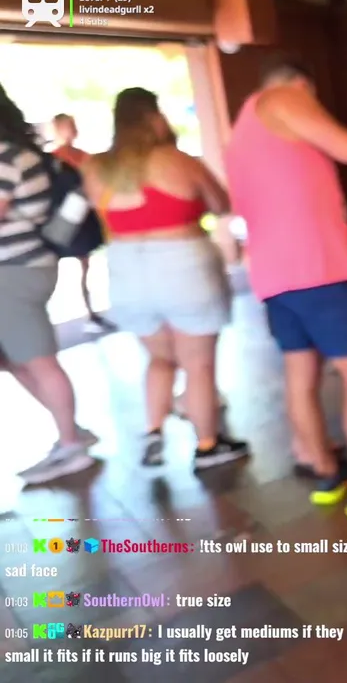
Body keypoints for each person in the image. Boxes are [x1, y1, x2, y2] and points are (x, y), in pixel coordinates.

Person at [223, 55, 347, 523]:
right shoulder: (283, 97)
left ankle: (326, 474)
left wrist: (342, 249)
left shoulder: (243, 129)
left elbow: (290, 201)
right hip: (318, 275)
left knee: (301, 373)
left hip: (275, 276)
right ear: (302, 85)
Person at [80, 87, 248, 470]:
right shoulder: (176, 160)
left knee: (159, 358)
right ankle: (207, 445)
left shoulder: (96, 168)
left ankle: (153, 431)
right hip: (182, 262)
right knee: (197, 363)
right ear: (154, 117)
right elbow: (221, 204)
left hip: (125, 268)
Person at [0, 84, 98, 484]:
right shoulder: (21, 152)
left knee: (38, 359)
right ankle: (71, 430)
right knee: (16, 359)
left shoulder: (5, 157)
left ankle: (71, 445)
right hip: (25, 267)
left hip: (15, 270)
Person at [49, 112, 113, 334]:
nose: (73, 130)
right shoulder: (53, 159)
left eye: (73, 125)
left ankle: (90, 313)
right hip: (64, 218)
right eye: (68, 126)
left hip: (84, 217)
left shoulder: (84, 156)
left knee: (85, 266)